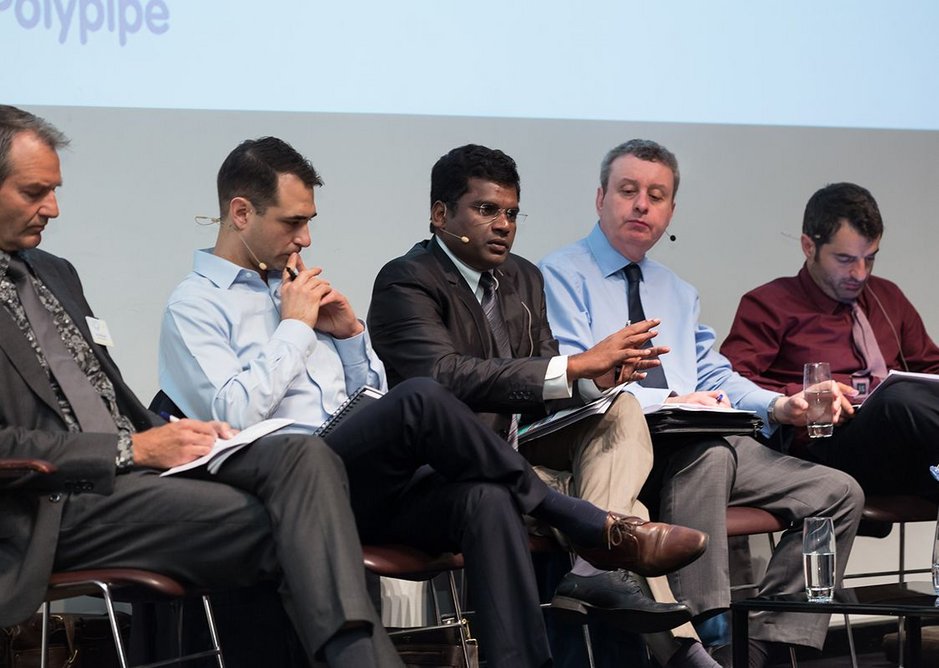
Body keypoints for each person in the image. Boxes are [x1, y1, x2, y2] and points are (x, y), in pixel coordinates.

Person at [157, 135, 703, 667]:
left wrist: (348, 338)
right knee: (423, 394)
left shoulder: (298, 288)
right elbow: (231, 416)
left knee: (488, 499)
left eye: (309, 223)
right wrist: (297, 329)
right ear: (241, 213)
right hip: (288, 486)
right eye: (292, 223)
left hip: (361, 484)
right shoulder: (195, 306)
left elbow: (363, 397)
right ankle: (580, 520)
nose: (304, 240)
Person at [0, 106, 404, 667]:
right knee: (299, 528)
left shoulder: (54, 270)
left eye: (54, 189)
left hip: (135, 475)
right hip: (48, 503)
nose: (54, 207)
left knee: (301, 456)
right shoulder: (197, 302)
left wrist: (164, 435)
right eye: (34, 191)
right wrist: (129, 449)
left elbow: (102, 392)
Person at [368, 144, 715, 666]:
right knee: (627, 515)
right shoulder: (406, 280)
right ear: (441, 215)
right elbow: (442, 377)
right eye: (486, 210)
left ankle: (598, 571)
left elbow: (547, 384)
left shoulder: (523, 277)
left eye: (510, 212)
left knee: (618, 407)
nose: (503, 225)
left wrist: (598, 379)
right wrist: (575, 368)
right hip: (452, 472)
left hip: (522, 453)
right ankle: (680, 649)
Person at [538, 139, 864, 667]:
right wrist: (669, 398)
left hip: (706, 437)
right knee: (709, 455)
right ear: (600, 199)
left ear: (670, 211)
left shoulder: (677, 290)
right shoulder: (558, 276)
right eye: (628, 191)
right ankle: (705, 637)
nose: (642, 205)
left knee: (837, 493)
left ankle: (755, 645)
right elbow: (578, 380)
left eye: (657, 195)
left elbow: (714, 373)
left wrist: (783, 406)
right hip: (625, 445)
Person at [720, 182, 939, 496]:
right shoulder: (769, 304)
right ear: (809, 247)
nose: (861, 274)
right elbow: (733, 389)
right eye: (846, 260)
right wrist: (807, 396)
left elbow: (931, 371)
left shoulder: (887, 297)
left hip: (903, 448)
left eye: (870, 259)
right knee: (897, 398)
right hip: (822, 452)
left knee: (905, 395)